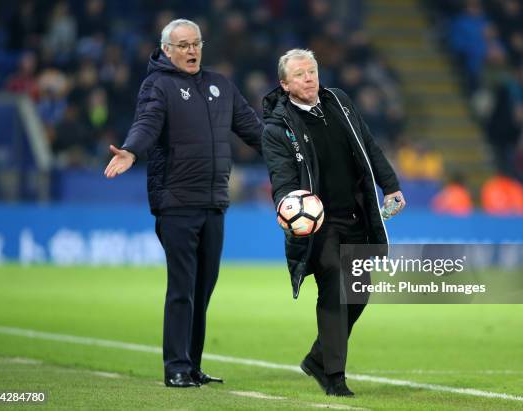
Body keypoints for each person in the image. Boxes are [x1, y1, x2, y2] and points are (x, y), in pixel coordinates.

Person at [104, 19, 263, 388]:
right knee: (182, 287)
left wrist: (293, 146)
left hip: (214, 203)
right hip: (176, 202)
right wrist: (130, 150)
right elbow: (146, 124)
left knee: (202, 289)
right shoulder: (157, 85)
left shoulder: (220, 85)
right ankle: (175, 366)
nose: (192, 51)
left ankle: (192, 365)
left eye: (196, 44)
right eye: (183, 45)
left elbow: (254, 130)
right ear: (166, 50)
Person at [262, 49, 405, 396]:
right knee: (335, 287)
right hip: (319, 225)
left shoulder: (339, 101)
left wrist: (391, 186)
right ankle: (334, 377)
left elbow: (368, 144)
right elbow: (282, 178)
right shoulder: (277, 127)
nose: (308, 78)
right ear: (285, 84)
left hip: (354, 215)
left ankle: (317, 359)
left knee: (359, 294)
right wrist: (286, 205)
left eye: (311, 71)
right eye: (299, 74)